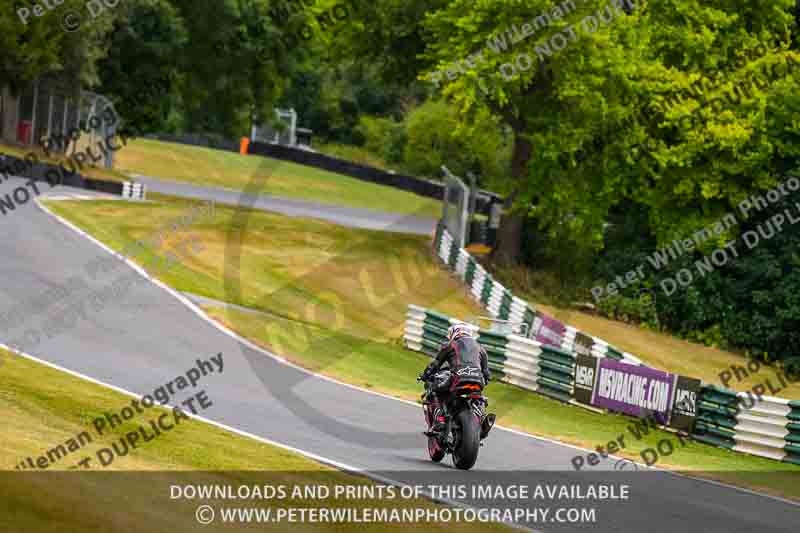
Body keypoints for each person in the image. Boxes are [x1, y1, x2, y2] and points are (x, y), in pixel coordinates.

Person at [420, 323, 491, 435]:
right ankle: (482, 419)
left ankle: (440, 420)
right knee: (480, 398)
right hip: (478, 381)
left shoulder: (450, 345)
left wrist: (425, 376)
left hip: (458, 379)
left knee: (434, 391)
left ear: (454, 333)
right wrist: (484, 380)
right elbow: (487, 374)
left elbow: (435, 364)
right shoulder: (481, 348)